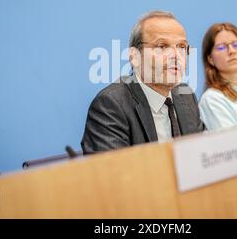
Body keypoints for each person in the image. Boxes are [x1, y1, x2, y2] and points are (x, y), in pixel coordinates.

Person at [81, 11, 205, 154]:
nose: (176, 56)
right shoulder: (111, 105)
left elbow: (201, 160)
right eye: (162, 46)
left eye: (182, 47)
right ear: (135, 57)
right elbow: (114, 173)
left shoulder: (185, 96)